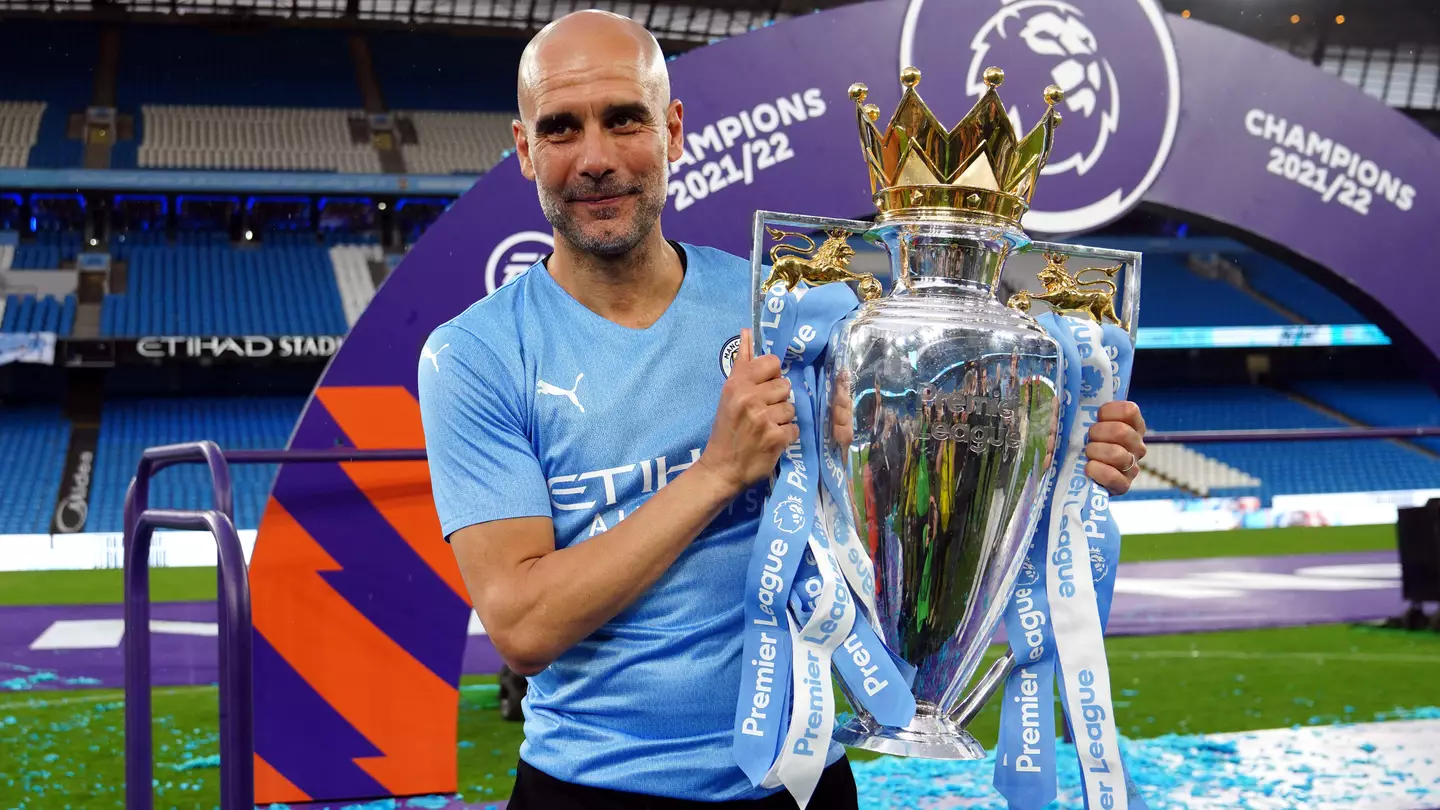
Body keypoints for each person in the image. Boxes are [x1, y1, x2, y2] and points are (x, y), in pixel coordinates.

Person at [416, 10, 1149, 809]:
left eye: (624, 120)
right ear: (525, 149)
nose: (595, 158)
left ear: (673, 131)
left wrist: (1050, 455)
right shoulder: (476, 354)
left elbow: (907, 500)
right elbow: (523, 628)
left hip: (802, 779)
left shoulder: (793, 311)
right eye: (561, 129)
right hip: (592, 789)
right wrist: (718, 473)